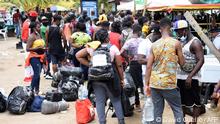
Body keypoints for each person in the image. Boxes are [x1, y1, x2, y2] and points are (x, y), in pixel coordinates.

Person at [76, 29, 125, 124]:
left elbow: (78, 55)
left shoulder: (91, 47)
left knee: (99, 101)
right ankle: (121, 121)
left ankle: (102, 122)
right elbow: (119, 65)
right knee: (115, 99)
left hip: (95, 78)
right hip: (110, 77)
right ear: (107, 38)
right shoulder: (113, 48)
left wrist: (90, 64)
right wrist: (122, 79)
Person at [145, 18, 185, 124]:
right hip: (169, 84)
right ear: (170, 28)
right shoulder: (176, 43)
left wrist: (146, 84)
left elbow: (148, 66)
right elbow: (182, 63)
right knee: (177, 110)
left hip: (155, 84)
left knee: (157, 112)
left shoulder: (154, 45)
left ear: (160, 29)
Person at [175, 20, 204, 124]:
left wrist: (190, 77)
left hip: (192, 78)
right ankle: (182, 121)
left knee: (195, 102)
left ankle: (194, 121)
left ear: (185, 30)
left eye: (178, 31)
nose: (177, 33)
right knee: (181, 102)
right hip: (180, 77)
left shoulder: (195, 42)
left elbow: (201, 60)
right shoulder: (182, 42)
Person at [120, 24, 144, 111]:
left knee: (134, 85)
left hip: (133, 64)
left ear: (133, 31)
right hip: (143, 63)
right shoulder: (144, 41)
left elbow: (121, 52)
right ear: (140, 32)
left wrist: (128, 57)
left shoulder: (129, 41)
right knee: (144, 82)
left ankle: (137, 104)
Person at [26, 22, 46, 94]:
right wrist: (37, 49)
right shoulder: (32, 37)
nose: (40, 28)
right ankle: (31, 90)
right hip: (34, 57)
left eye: (40, 26)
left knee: (38, 74)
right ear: (34, 28)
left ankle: (36, 90)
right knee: (37, 74)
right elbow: (27, 49)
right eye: (38, 27)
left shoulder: (39, 35)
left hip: (40, 57)